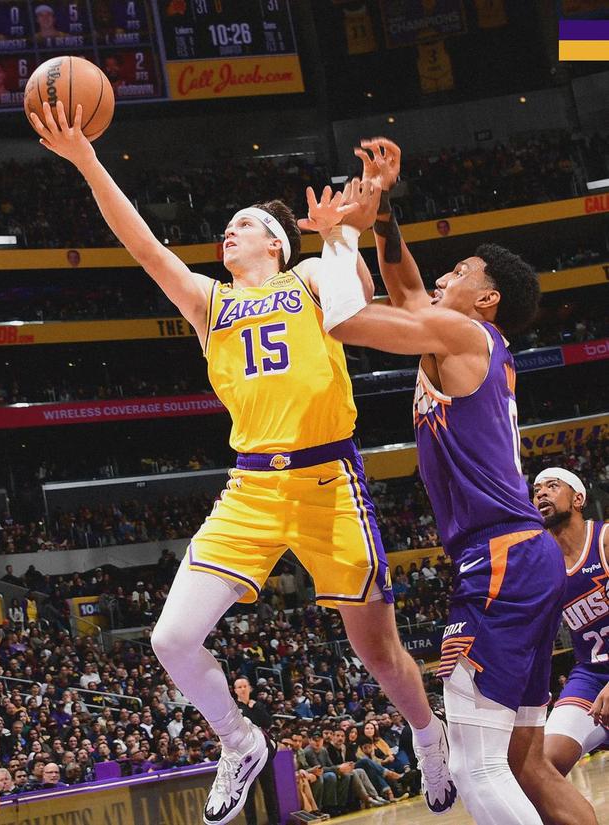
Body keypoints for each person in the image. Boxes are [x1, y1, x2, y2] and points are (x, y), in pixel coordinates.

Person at [29, 102, 455, 825]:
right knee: (169, 637)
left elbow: (358, 296)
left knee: (380, 654)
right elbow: (144, 247)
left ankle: (426, 732)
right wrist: (87, 161)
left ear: (277, 243)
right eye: (228, 224)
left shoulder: (310, 278)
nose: (229, 229)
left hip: (328, 480)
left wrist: (350, 223)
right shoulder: (210, 303)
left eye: (245, 222)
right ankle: (239, 738)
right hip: (251, 485)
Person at [324, 136, 598, 825]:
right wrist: (384, 213)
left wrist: (341, 235)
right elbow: (409, 291)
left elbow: (347, 319)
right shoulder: (465, 340)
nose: (443, 277)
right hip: (521, 557)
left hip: (498, 557)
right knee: (524, 762)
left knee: (477, 765)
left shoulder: (464, 337)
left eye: (460, 271)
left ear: (488, 298)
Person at [532, 469, 609, 775]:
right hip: (590, 674)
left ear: (578, 499)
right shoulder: (543, 566)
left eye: (552, 486)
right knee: (544, 766)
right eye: (537, 489)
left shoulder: (604, 540)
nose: (541, 492)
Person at [233, 678, 279, 825]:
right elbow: (245, 726)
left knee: (269, 790)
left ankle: (274, 821)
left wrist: (256, 708)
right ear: (235, 691)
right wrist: (250, 710)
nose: (242, 689)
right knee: (248, 793)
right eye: (239, 687)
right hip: (246, 757)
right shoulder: (235, 709)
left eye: (245, 686)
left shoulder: (258, 705)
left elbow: (267, 722)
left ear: (250, 688)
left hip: (263, 753)